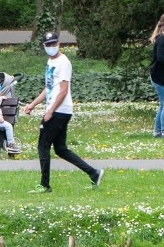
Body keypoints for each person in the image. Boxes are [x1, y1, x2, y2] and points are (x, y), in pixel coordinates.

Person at [24, 31, 104, 193]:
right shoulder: (50, 62)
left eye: (54, 44)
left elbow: (63, 90)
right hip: (57, 110)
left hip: (59, 110)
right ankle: (94, 173)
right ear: (44, 46)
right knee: (60, 149)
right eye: (48, 45)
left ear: (59, 44)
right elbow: (49, 87)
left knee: (43, 146)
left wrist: (51, 111)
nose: (51, 47)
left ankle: (45, 185)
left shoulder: (63, 62)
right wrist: (33, 104)